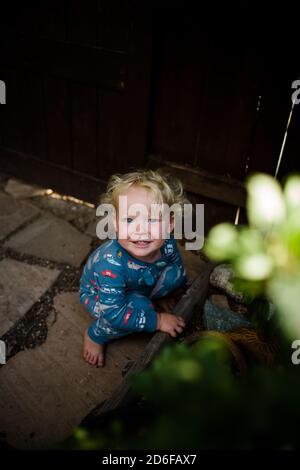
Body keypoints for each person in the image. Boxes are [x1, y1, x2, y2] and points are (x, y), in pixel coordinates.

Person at [79, 169, 189, 367]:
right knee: (139, 308)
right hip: (100, 297)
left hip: (140, 283)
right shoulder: (110, 264)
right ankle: (95, 335)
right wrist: (158, 320)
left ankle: (153, 297)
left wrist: (169, 293)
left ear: (170, 224)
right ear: (115, 223)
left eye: (152, 220)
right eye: (129, 220)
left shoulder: (167, 244)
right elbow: (113, 312)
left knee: (176, 274)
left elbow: (177, 268)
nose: (140, 229)